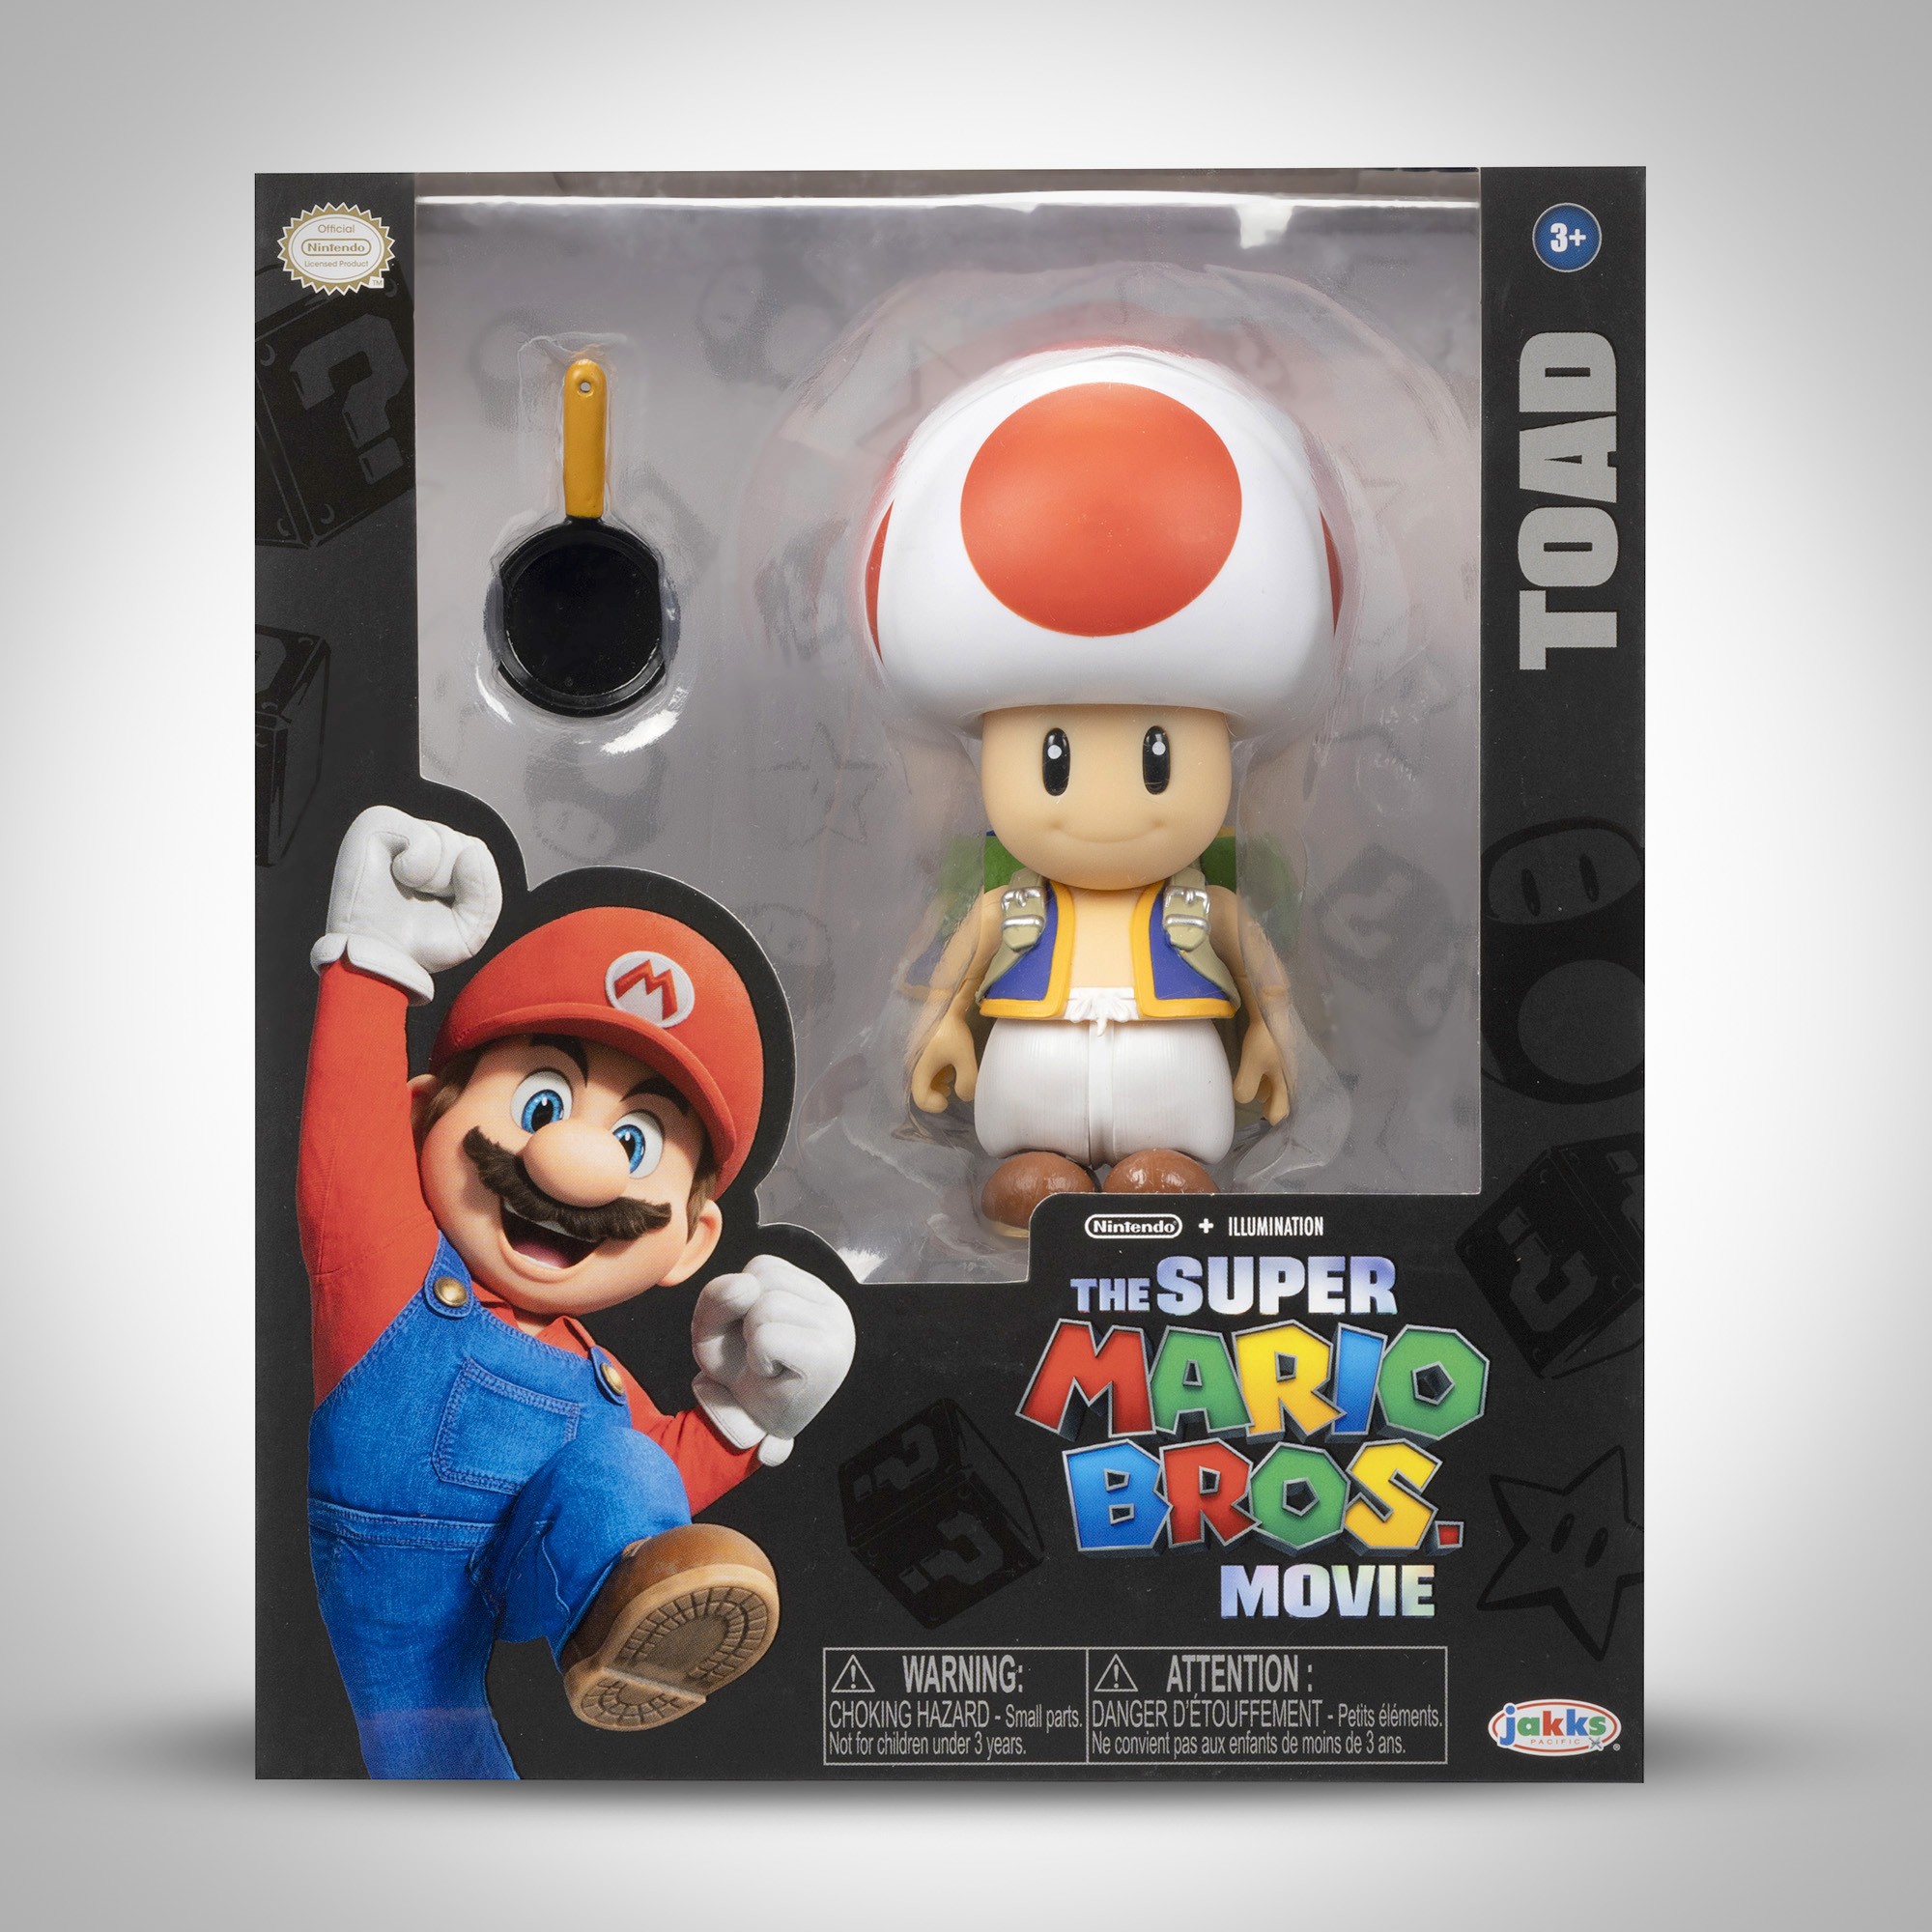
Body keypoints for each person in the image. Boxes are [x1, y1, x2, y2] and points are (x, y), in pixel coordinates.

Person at [299, 805, 854, 1777]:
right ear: (423, 1116)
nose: (579, 1164)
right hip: (390, 1585)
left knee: (629, 1470)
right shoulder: (388, 1274)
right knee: (433, 1748)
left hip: (540, 1566)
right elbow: (343, 1145)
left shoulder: (599, 1380)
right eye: (543, 1100)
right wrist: (371, 963)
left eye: (635, 1141)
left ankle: (619, 1630)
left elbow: (660, 1479)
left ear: (692, 1241)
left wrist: (754, 1408)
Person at [866, 347, 1338, 1233]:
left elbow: (1263, 980)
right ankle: (1033, 1182)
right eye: (1055, 762)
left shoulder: (1205, 907)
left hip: (1173, 1084)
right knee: (1027, 1180)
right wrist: (939, 1031)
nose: (1107, 806)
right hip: (1031, 1082)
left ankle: (1161, 1183)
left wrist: (1274, 1039)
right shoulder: (1007, 908)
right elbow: (949, 981)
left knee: (1169, 1166)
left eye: (1159, 761)